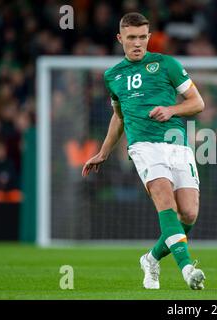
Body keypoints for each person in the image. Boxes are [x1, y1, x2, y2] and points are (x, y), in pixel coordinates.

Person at [82, 13, 206, 290]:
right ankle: (187, 269)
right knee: (166, 202)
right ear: (120, 39)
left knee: (188, 214)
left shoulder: (167, 64)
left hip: (176, 145)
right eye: (131, 38)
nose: (137, 43)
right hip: (143, 146)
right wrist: (103, 152)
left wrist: (171, 109)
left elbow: (198, 103)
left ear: (149, 37)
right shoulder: (112, 76)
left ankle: (150, 259)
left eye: (142, 37)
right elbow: (119, 116)